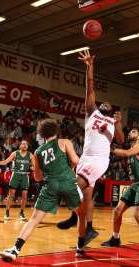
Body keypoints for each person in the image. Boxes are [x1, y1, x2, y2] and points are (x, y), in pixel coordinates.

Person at [56, 49, 124, 245]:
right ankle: (90, 228)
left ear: (111, 110)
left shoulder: (112, 121)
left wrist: (118, 123)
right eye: (103, 102)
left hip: (99, 160)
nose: (106, 104)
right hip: (85, 157)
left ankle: (74, 218)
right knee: (86, 196)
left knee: (73, 187)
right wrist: (90, 67)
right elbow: (90, 88)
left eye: (109, 105)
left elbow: (120, 140)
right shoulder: (91, 112)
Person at [0, 119, 86, 261]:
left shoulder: (38, 152)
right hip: (68, 183)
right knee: (81, 215)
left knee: (34, 219)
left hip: (50, 185)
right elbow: (76, 161)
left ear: (42, 134)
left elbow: (38, 178)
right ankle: (80, 248)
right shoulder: (64, 142)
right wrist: (69, 167)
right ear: (56, 131)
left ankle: (15, 250)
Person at [101, 128, 139, 256]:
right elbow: (123, 154)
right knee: (117, 210)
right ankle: (115, 238)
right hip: (134, 185)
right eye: (130, 132)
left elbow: (127, 153)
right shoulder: (131, 150)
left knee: (138, 214)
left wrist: (110, 148)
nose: (130, 133)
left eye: (133, 131)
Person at [0, 140, 34, 221]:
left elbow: (34, 166)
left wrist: (34, 168)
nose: (25, 145)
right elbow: (6, 161)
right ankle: (7, 212)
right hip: (15, 174)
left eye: (26, 144)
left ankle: (22, 212)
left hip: (25, 175)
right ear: (20, 146)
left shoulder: (30, 155)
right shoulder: (15, 153)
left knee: (24, 195)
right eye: (23, 144)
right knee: (11, 194)